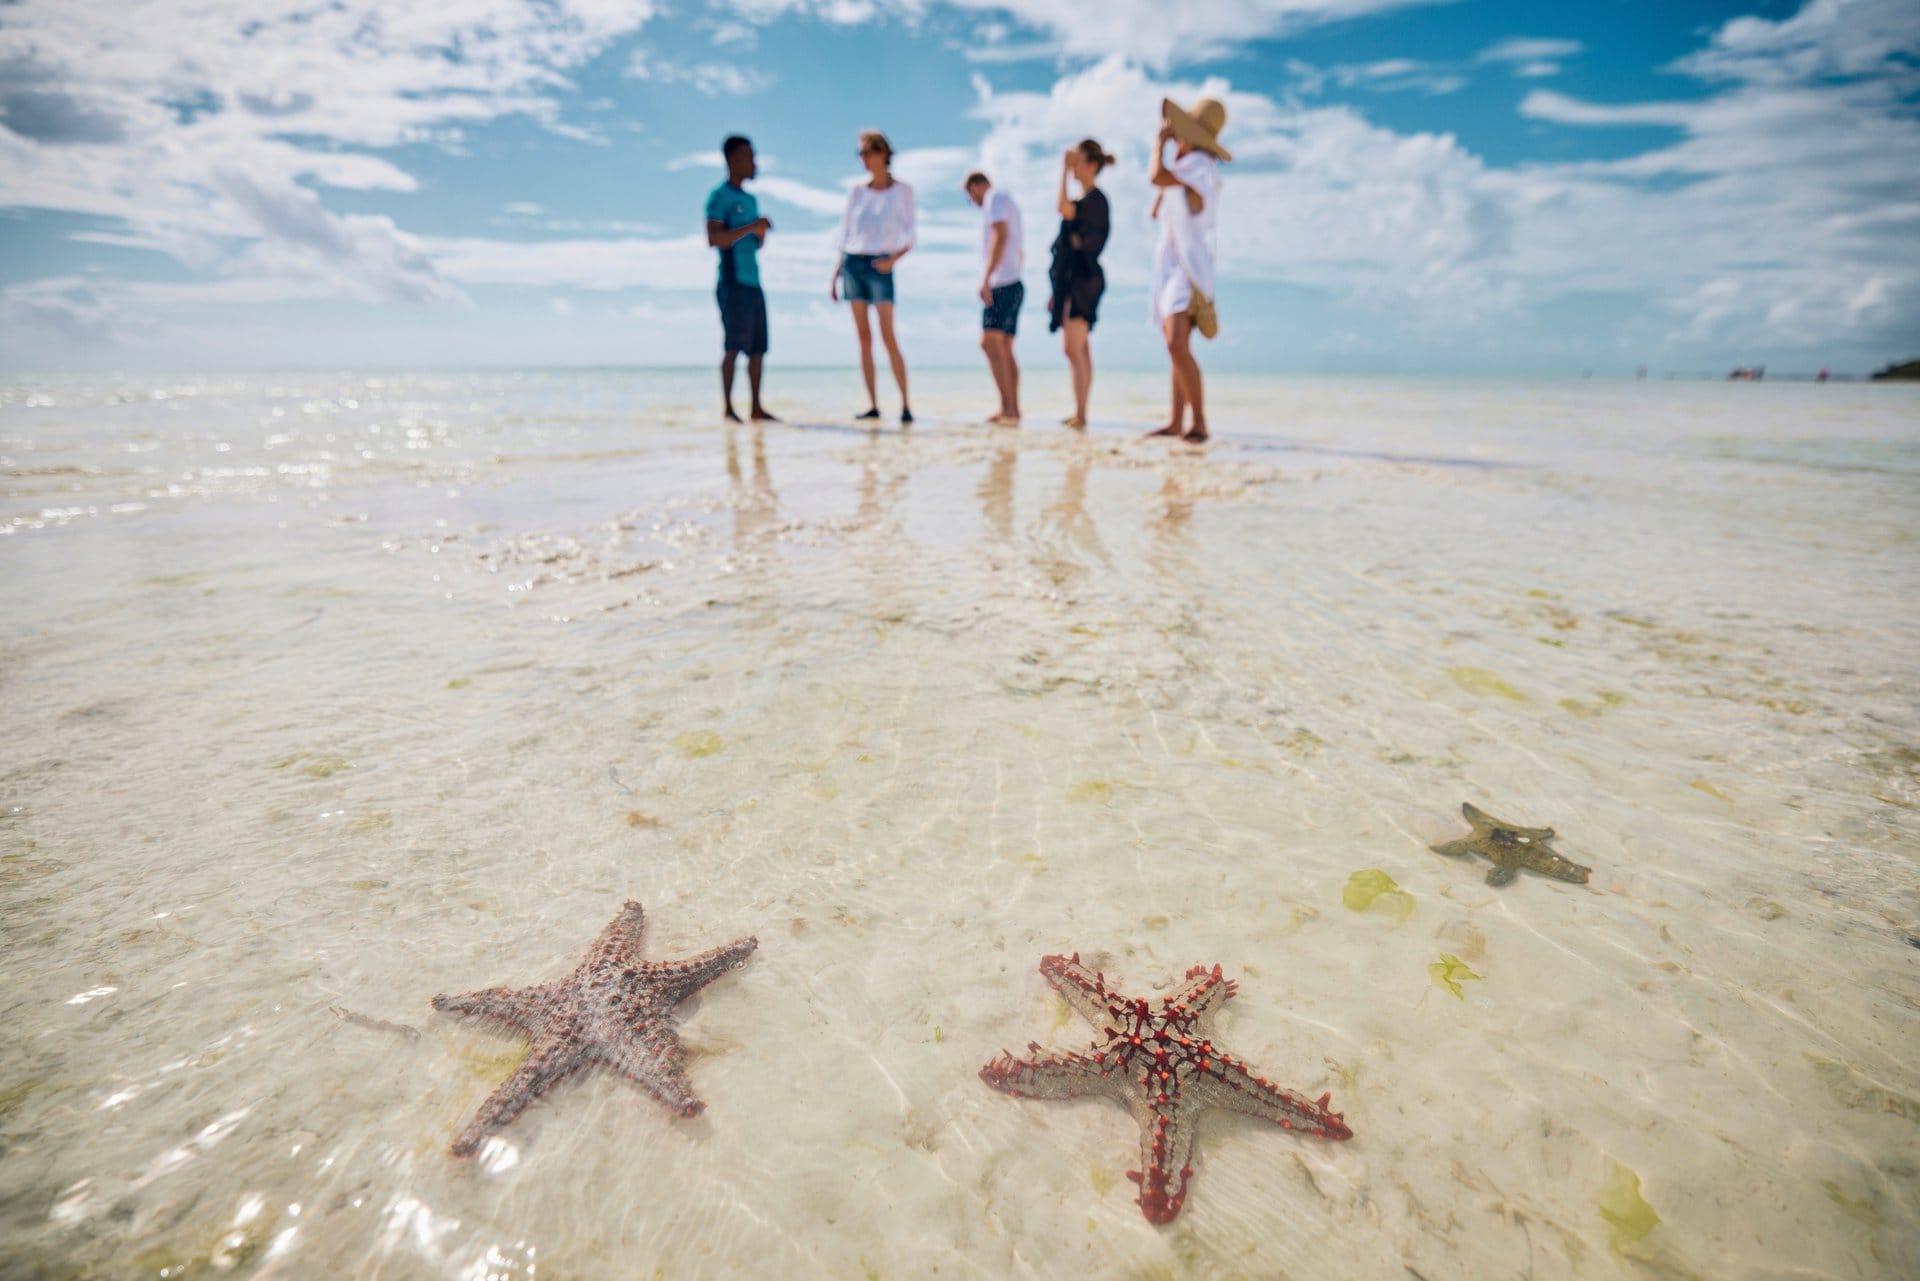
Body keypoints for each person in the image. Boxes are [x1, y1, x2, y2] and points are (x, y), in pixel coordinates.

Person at [1146, 97, 1229, 444]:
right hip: (1178, 265)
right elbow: (1158, 208)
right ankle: (1178, 421)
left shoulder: (1199, 164)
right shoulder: (1191, 167)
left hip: (1187, 268)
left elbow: (1156, 177)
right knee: (1176, 347)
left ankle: (1199, 422)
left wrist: (1159, 144)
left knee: (1175, 343)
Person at [832, 130, 916, 424]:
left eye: (867, 153)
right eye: (860, 154)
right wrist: (835, 275)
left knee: (888, 336)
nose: (863, 159)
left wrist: (893, 260)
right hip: (853, 264)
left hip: (882, 265)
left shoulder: (903, 191)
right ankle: (873, 405)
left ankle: (906, 405)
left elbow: (911, 235)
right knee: (864, 339)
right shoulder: (856, 190)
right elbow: (845, 235)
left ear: (883, 154)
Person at [705, 135, 775, 423]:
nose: (754, 162)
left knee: (758, 348)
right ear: (733, 159)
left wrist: (760, 233)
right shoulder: (719, 197)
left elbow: (755, 244)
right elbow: (714, 239)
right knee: (733, 346)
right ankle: (728, 409)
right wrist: (751, 227)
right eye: (749, 156)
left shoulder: (750, 199)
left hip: (753, 280)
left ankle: (756, 408)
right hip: (732, 282)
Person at [1048, 139, 1114, 429]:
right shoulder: (1088, 201)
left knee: (1073, 348)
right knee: (1079, 348)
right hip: (1075, 280)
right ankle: (1080, 412)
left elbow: (1062, 208)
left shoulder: (1095, 201)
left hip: (1084, 281)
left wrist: (1063, 171)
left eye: (1078, 163)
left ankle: (1082, 413)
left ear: (1092, 166)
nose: (1074, 168)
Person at [964, 171, 1024, 426]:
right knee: (1005, 348)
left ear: (975, 186)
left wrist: (986, 278)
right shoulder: (1007, 200)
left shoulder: (994, 199)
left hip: (1002, 282)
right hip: (1014, 281)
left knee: (989, 343)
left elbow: (1000, 236)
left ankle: (1008, 407)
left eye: (970, 196)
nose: (972, 201)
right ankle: (1011, 407)